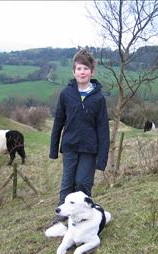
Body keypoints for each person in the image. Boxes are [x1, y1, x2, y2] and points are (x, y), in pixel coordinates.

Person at [49, 48, 110, 221]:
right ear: (73, 71)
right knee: (67, 182)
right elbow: (58, 122)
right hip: (70, 147)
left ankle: (84, 216)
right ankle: (62, 216)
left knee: (83, 182)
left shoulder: (99, 98)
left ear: (92, 71)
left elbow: (103, 130)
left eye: (85, 68)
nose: (82, 72)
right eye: (79, 69)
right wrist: (54, 150)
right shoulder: (66, 94)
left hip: (90, 149)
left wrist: (102, 159)